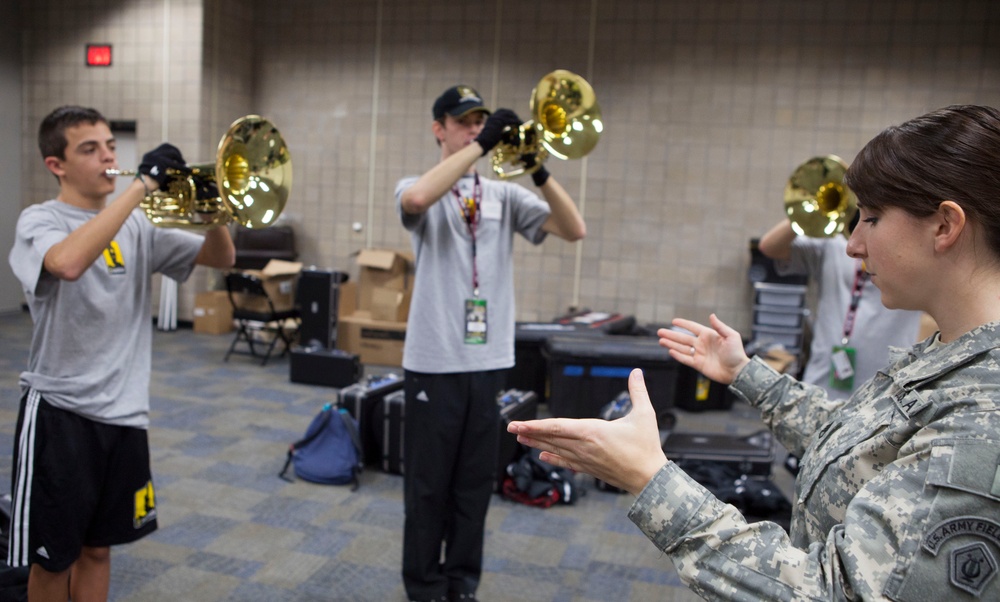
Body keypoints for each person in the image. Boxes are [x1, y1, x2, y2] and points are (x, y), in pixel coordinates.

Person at [508, 104, 1000, 600]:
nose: (853, 244)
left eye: (871, 218)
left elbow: (835, 592)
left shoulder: (986, 411)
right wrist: (745, 373)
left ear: (944, 226)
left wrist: (649, 478)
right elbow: (859, 446)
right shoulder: (952, 354)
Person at [7, 105, 236, 601]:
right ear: (57, 165)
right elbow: (67, 263)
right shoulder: (39, 220)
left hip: (125, 415)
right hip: (61, 415)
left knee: (99, 549)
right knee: (52, 560)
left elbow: (222, 257)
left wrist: (210, 209)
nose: (108, 156)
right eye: (90, 149)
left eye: (110, 145)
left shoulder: (139, 227)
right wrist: (141, 188)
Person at [396, 85, 586, 601]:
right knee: (428, 487)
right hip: (434, 362)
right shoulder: (417, 187)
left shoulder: (503, 195)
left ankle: (461, 585)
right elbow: (416, 200)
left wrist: (538, 169)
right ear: (439, 128)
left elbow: (574, 229)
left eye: (481, 121)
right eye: (464, 122)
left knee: (473, 486)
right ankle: (424, 586)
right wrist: (480, 149)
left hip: (489, 360)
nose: (475, 129)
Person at [758, 212, 923, 399]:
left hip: (886, 387)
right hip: (823, 382)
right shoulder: (833, 243)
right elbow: (769, 246)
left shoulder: (911, 251)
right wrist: (810, 209)